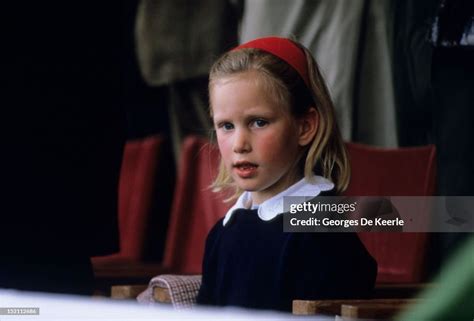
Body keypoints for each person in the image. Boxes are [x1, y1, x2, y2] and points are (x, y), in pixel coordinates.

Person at [196, 37, 377, 312]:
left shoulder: (322, 228)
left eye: (259, 122)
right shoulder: (222, 234)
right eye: (226, 126)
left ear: (305, 127)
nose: (239, 144)